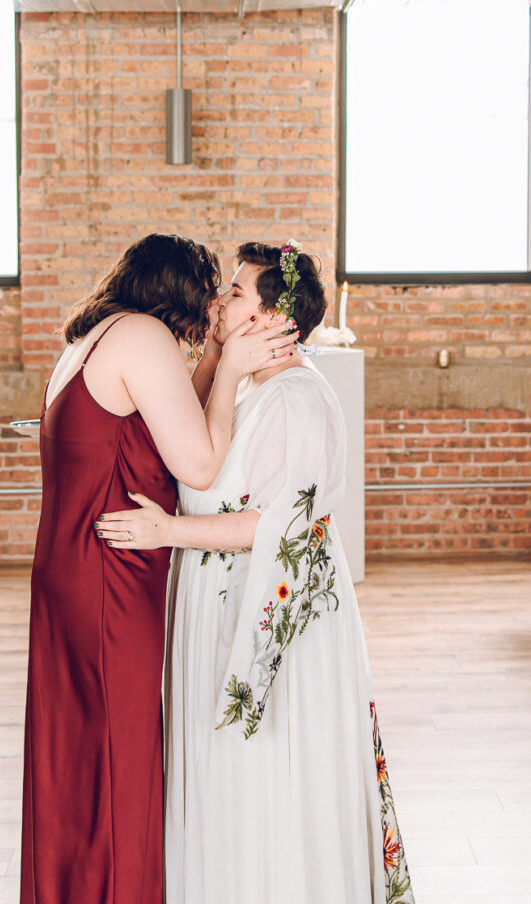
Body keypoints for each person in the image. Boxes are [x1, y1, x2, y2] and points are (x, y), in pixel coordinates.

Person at [97, 240, 415, 904]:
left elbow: (280, 524)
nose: (219, 302)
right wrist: (218, 360)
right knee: (220, 779)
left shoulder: (296, 400)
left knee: (269, 775)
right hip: (211, 601)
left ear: (275, 318)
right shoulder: (239, 386)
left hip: (273, 615)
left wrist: (168, 532)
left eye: (236, 293)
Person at [19, 233, 298, 904]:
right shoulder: (143, 337)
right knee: (123, 750)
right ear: (177, 294)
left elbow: (169, 413)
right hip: (108, 578)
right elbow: (198, 462)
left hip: (71, 569)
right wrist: (230, 370)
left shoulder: (99, 335)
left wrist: (213, 363)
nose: (214, 308)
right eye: (210, 293)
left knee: (79, 756)